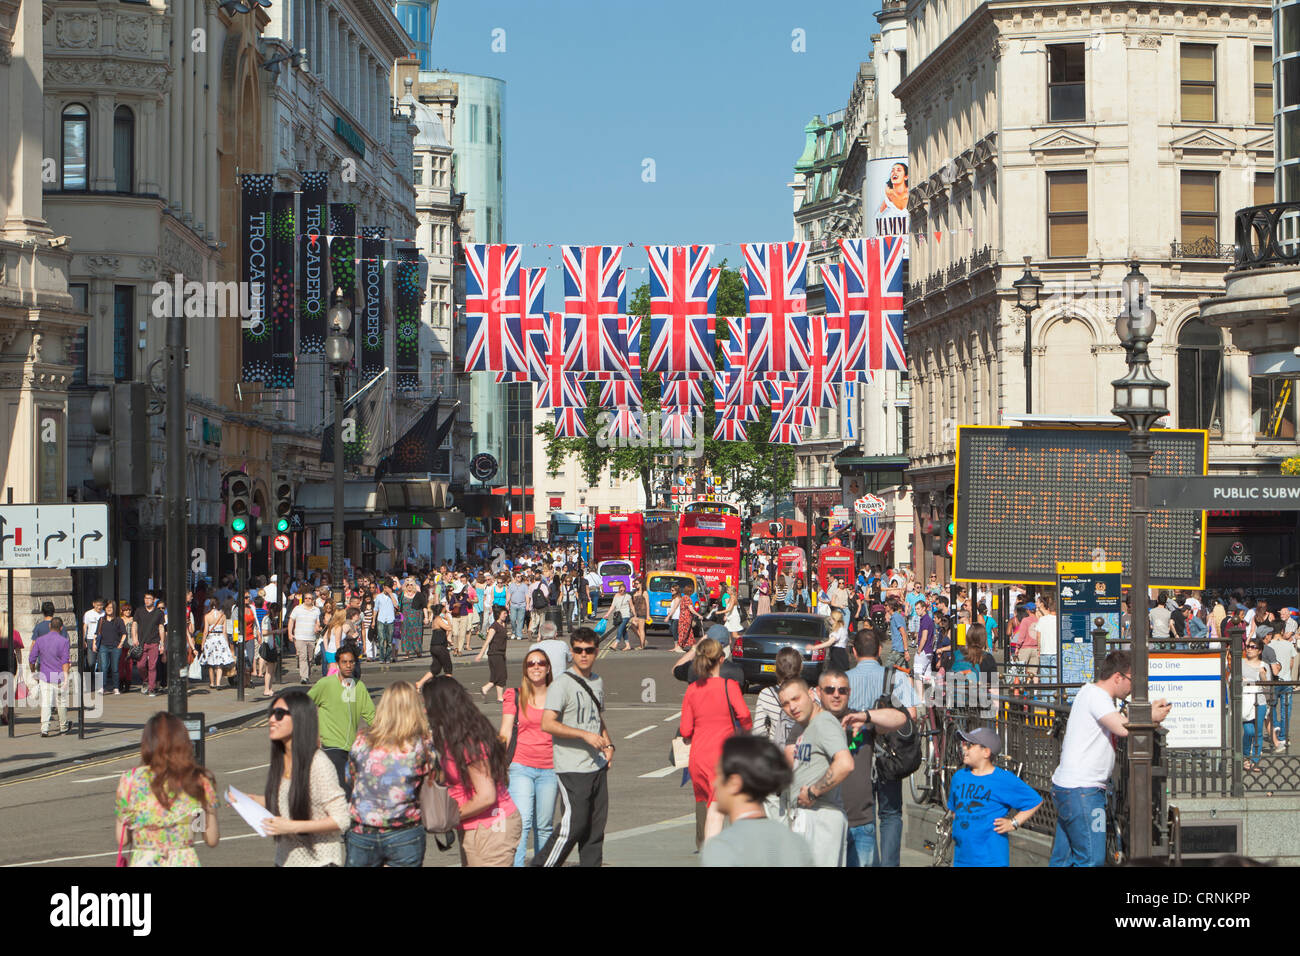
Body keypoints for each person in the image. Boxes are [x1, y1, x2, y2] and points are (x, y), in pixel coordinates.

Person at [1049, 651, 1172, 866]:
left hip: (1070, 788)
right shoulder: (1097, 696)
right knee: (1092, 859)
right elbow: (1122, 727)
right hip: (1084, 790)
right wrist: (1150, 716)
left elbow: (1119, 722)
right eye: (1132, 680)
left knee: (1064, 858)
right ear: (1118, 677)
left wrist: (1148, 715)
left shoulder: (1089, 693)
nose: (1133, 688)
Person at [232, 689, 350, 866]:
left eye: (279, 714)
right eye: (271, 713)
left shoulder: (318, 763)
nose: (272, 719)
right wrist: (253, 801)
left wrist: (292, 826)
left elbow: (342, 818)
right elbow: (291, 799)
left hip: (319, 862)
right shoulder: (281, 758)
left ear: (299, 718)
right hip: (285, 860)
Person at [530, 627, 613, 867]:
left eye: (588, 650)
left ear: (596, 652)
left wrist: (609, 744)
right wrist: (584, 736)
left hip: (596, 766)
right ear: (572, 652)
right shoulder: (562, 684)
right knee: (573, 825)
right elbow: (547, 723)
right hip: (571, 767)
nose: (583, 655)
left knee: (595, 831)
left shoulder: (597, 682)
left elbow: (597, 718)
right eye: (578, 650)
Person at [422, 676, 522, 866]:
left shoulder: (470, 740)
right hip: (475, 827)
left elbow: (486, 796)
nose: (425, 710)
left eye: (428, 704)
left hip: (491, 828)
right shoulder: (453, 735)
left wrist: (449, 817)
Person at [817, 666, 909, 867]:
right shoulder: (811, 723)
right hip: (824, 823)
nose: (836, 695)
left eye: (842, 690)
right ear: (818, 692)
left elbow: (901, 719)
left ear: (849, 693)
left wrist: (866, 716)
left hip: (861, 823)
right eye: (830, 690)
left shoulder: (859, 720)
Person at [846, 627, 920, 867]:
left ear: (854, 651)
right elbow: (911, 714)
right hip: (890, 755)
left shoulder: (843, 682)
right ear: (879, 650)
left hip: (856, 754)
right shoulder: (895, 677)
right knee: (890, 814)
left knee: (864, 817)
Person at [344, 681, 434, 867]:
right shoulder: (421, 744)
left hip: (363, 829)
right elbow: (434, 778)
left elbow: (350, 776)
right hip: (404, 828)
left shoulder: (362, 739)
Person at [115, 712, 219, 866]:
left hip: (145, 860)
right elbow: (211, 838)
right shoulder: (198, 779)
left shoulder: (130, 780)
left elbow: (122, 839)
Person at [680, 638, 753, 848]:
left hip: (697, 758)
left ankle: (708, 848)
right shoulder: (729, 686)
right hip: (722, 757)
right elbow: (745, 716)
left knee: (707, 805)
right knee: (719, 811)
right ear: (721, 659)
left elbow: (685, 729)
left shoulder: (692, 689)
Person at [702, 736, 815, 867]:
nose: (715, 782)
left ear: (735, 783)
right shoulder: (797, 843)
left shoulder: (723, 846)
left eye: (719, 776)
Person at [776, 677, 853, 866]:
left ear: (811, 694)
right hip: (808, 817)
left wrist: (813, 791)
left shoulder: (824, 722)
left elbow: (845, 763)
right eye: (785, 704)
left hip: (822, 817)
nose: (792, 707)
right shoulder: (808, 727)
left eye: (796, 699)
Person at [948, 727, 1041, 867]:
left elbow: (1034, 801)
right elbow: (955, 810)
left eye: (970, 745)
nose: (964, 748)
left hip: (991, 859)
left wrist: (1013, 823)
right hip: (963, 857)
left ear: (986, 752)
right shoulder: (959, 777)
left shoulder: (1003, 779)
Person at [498, 647, 558, 866]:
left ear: (548, 667)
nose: (536, 667)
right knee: (522, 824)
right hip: (520, 766)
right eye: (531, 663)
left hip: (550, 768)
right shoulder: (514, 696)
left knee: (544, 826)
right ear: (525, 669)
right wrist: (495, 762)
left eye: (540, 663)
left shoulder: (558, 695)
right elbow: (504, 732)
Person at [309, 643, 376, 793]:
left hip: (351, 750)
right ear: (338, 664)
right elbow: (305, 705)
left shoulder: (359, 687)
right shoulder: (325, 684)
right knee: (342, 790)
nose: (348, 665)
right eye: (344, 662)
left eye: (351, 662)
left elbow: (371, 716)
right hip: (331, 747)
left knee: (352, 791)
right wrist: (314, 733)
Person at [29, 616, 71, 737]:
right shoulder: (64, 641)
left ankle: (44, 728)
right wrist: (66, 677)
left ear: (49, 626)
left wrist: (33, 672)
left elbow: (32, 659)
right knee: (61, 702)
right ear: (61, 628)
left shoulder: (40, 640)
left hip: (44, 675)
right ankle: (63, 727)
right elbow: (65, 661)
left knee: (46, 702)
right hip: (58, 675)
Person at [1242, 639, 1270, 771]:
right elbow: (1231, 680)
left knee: (1258, 732)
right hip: (1245, 701)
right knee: (1249, 731)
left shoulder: (1263, 665)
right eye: (1248, 646)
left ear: (1259, 651)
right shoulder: (1240, 663)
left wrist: (1263, 675)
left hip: (1260, 701)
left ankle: (1255, 760)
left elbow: (1267, 687)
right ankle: (1246, 756)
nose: (1249, 649)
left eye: (1253, 647)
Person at [474, 606, 510, 700]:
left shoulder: (503, 624)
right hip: (494, 654)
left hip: (501, 653)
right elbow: (487, 642)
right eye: (504, 613)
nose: (506, 615)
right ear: (498, 615)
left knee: (500, 675)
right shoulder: (493, 627)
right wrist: (480, 655)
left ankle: (499, 697)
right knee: (500, 675)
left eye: (506, 613)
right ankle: (485, 688)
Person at [135, 591, 166, 696]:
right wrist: (135, 638)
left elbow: (161, 627)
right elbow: (135, 624)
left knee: (152, 666)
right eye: (145, 598)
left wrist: (162, 643)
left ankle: (151, 689)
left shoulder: (159, 613)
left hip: (154, 642)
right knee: (140, 665)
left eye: (149, 598)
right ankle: (146, 680)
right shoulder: (139, 611)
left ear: (153, 600)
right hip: (141, 642)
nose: (146, 600)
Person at [95, 600, 127, 697]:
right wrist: (94, 644)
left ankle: (116, 687)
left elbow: (124, 633)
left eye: (111, 607)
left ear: (114, 609)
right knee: (103, 667)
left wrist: (120, 644)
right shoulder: (101, 620)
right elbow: (97, 634)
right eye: (107, 607)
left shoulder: (119, 620)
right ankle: (102, 687)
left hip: (115, 647)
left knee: (115, 668)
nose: (109, 609)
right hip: (103, 646)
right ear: (105, 609)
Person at [605, 580, 634, 651]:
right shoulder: (616, 596)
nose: (622, 592)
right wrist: (607, 614)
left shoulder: (628, 596)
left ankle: (616, 643)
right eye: (621, 590)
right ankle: (628, 645)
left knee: (620, 629)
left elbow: (632, 606)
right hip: (618, 616)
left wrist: (635, 615)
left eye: (624, 591)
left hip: (626, 615)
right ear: (618, 590)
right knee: (624, 630)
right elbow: (612, 606)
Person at [373, 581, 397, 663]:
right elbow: (375, 609)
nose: (388, 589)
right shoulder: (379, 597)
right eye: (386, 587)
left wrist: (391, 594)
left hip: (390, 619)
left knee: (389, 640)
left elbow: (396, 605)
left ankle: (388, 657)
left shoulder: (394, 595)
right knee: (381, 639)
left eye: (389, 588)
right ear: (384, 587)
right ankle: (381, 657)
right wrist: (373, 621)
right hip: (381, 619)